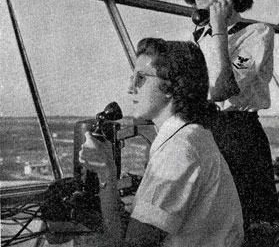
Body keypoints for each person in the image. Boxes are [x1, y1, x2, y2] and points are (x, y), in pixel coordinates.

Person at [79, 38, 244, 247]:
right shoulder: (191, 136)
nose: (131, 88)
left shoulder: (179, 151)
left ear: (170, 85)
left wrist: (105, 171)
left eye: (140, 78)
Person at [184, 0, 278, 232]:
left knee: (247, 229)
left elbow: (221, 90)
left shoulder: (257, 33)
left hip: (239, 139)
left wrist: (220, 30)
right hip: (202, 135)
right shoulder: (200, 38)